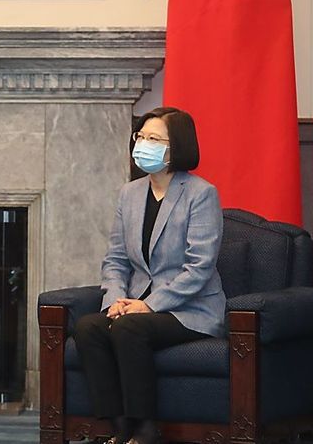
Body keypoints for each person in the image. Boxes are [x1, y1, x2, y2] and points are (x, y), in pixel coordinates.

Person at [72, 107, 225, 444]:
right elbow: (115, 259)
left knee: (130, 327)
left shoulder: (201, 194)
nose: (142, 144)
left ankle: (145, 430)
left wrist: (148, 305)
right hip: (136, 303)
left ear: (178, 146)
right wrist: (114, 301)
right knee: (89, 327)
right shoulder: (130, 193)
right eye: (140, 137)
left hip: (190, 309)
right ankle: (117, 426)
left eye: (153, 139)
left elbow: (198, 267)